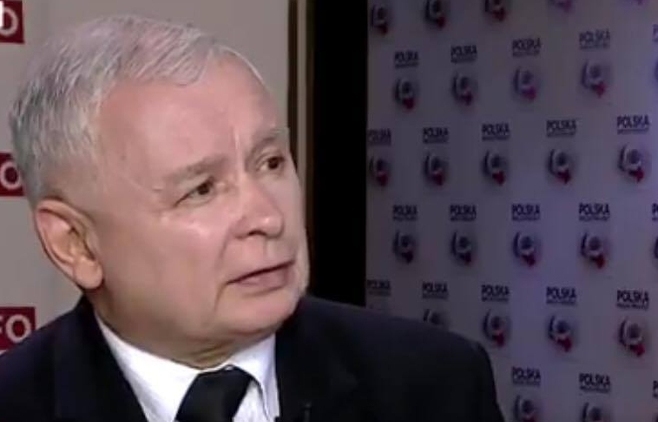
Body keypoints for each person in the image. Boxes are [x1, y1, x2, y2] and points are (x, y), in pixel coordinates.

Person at [0, 14, 504, 422]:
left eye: (271, 163)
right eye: (201, 190)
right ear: (76, 243)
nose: (268, 217)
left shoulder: (436, 384)